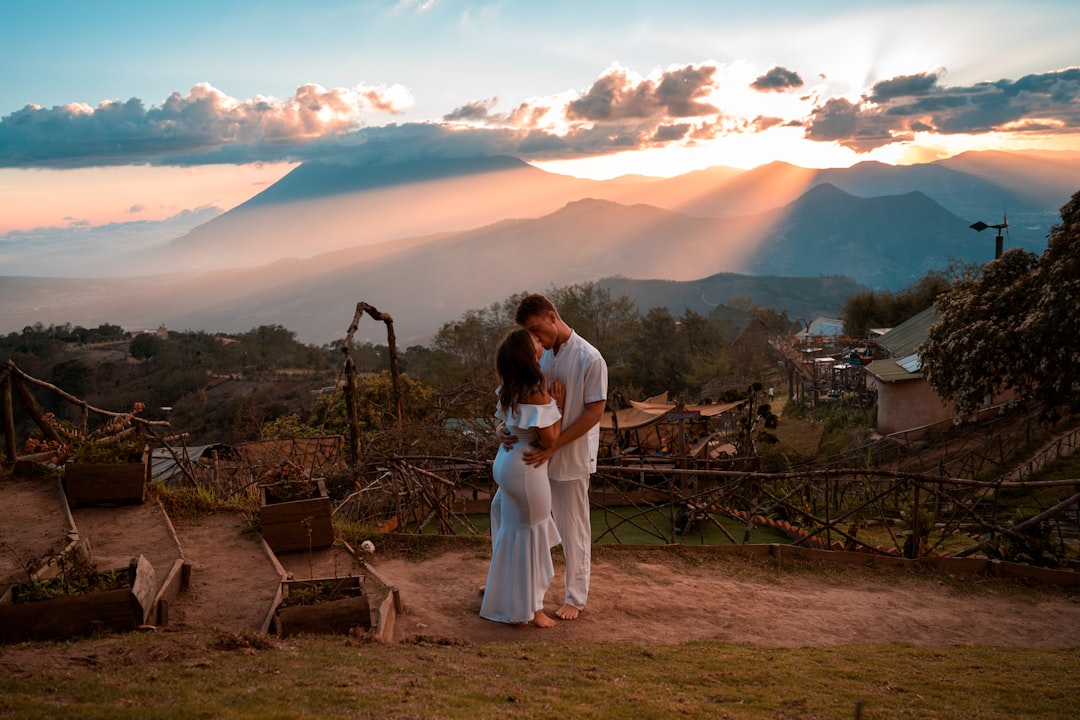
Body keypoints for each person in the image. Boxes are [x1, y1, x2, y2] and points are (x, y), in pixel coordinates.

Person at [504, 293, 608, 621]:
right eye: (529, 335)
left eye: (537, 330)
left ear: (552, 317)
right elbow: (525, 395)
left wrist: (555, 444)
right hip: (535, 457)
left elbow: (594, 412)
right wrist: (507, 427)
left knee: (572, 525)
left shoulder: (590, 358)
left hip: (570, 456)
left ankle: (575, 598)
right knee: (518, 519)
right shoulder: (542, 355)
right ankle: (511, 583)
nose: (535, 339)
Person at [480, 328, 565, 628]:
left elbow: (504, 424)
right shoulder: (537, 393)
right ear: (529, 356)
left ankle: (504, 594)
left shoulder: (510, 386)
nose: (541, 343)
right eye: (536, 342)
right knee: (531, 536)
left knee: (512, 533)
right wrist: (558, 404)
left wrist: (500, 431)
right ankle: (533, 609)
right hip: (527, 469)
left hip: (506, 463)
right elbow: (548, 439)